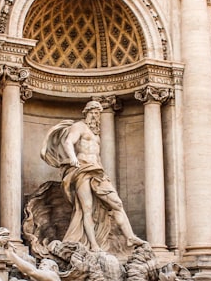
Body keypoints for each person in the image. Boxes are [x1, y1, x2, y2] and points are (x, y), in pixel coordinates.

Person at [40, 100, 145, 253]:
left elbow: (97, 156)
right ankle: (93, 245)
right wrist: (73, 158)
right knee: (86, 208)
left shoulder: (97, 135)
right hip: (81, 169)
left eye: (98, 113)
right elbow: (68, 142)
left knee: (117, 203)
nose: (96, 116)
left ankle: (130, 237)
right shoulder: (79, 127)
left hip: (97, 171)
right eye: (93, 112)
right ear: (86, 112)